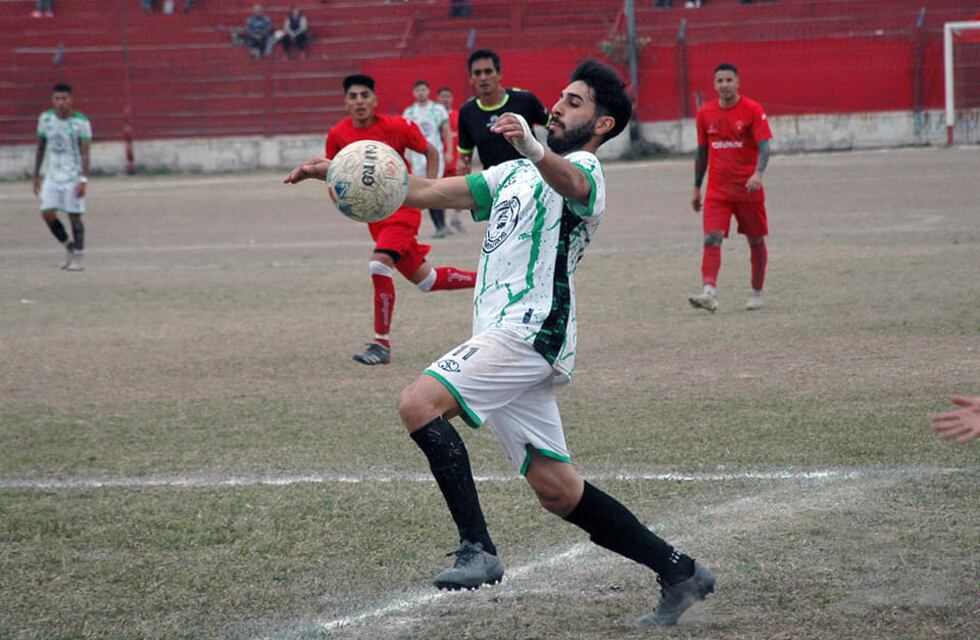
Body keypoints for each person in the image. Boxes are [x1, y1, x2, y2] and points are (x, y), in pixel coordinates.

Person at [353, 59, 702, 625]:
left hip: (530, 330)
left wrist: (537, 151)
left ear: (603, 124)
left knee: (418, 403)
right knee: (558, 491)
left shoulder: (583, 168)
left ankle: (478, 550)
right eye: (560, 97)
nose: (559, 105)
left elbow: (575, 183)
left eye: (575, 101)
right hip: (502, 334)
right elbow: (427, 190)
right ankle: (679, 570)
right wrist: (348, 176)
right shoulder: (512, 174)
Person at [283, 74, 477, 366]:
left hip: (404, 208)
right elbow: (335, 173)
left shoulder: (397, 126)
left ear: (374, 100)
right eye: (353, 96)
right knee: (427, 280)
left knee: (378, 263)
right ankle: (487, 278)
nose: (359, 101)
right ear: (346, 102)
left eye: (364, 95)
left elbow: (430, 150)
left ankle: (381, 344)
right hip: (376, 217)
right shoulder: (338, 134)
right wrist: (340, 200)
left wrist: (431, 189)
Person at [689, 62, 772, 313]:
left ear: (738, 83)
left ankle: (756, 291)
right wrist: (696, 187)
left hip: (748, 190)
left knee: (755, 240)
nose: (724, 85)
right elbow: (702, 152)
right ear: (714, 85)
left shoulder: (752, 110)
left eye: (729, 80)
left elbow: (765, 146)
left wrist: (758, 173)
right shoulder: (705, 113)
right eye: (720, 81)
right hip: (718, 192)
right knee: (712, 237)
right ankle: (708, 293)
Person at [457, 48, 549, 174]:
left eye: (488, 71)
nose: (483, 77)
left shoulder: (525, 100)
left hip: (532, 179)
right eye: (477, 73)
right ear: (471, 79)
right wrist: (462, 166)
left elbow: (554, 127)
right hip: (494, 186)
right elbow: (464, 157)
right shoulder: (466, 112)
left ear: (499, 74)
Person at [33, 83, 91, 272]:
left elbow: (85, 153)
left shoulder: (81, 122)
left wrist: (83, 180)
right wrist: (36, 175)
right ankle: (69, 246)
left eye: (64, 98)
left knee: (74, 217)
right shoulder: (45, 119)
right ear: (53, 100)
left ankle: (79, 258)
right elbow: (41, 147)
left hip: (72, 177)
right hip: (52, 176)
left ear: (71, 100)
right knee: (47, 214)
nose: (61, 102)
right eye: (57, 99)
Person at [403, 81, 454, 238]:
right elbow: (404, 135)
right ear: (413, 93)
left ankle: (441, 226)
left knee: (434, 189)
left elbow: (447, 131)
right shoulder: (409, 112)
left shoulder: (437, 110)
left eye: (423, 90)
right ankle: (430, 226)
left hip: (435, 156)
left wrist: (449, 151)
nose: (421, 93)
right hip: (417, 158)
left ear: (428, 91)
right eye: (418, 90)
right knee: (418, 192)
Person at [437, 85, 466, 234]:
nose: (445, 99)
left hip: (456, 158)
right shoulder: (435, 116)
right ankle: (442, 223)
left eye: (448, 96)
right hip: (441, 160)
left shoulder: (458, 115)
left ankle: (456, 218)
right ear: (437, 99)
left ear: (452, 99)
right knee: (440, 191)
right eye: (443, 96)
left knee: (460, 189)